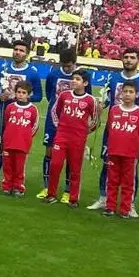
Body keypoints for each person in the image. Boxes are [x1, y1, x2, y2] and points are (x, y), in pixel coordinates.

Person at [90, 47, 139, 216]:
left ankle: (130, 204)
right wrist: (100, 106)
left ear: (138, 60)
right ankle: (104, 198)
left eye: (132, 57)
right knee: (107, 166)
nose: (128, 60)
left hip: (131, 135)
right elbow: (106, 100)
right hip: (112, 132)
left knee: (131, 171)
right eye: (126, 57)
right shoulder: (112, 78)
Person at [0, 40, 42, 189]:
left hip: (19, 119)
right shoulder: (3, 69)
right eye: (16, 49)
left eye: (21, 50)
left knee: (16, 150)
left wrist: (23, 97)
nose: (18, 52)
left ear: (27, 54)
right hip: (2, 113)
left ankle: (15, 182)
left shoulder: (32, 73)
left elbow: (39, 96)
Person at [45, 69, 100, 207]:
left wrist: (85, 131)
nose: (74, 81)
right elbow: (54, 111)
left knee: (75, 169)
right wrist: (59, 126)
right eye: (73, 78)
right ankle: (51, 194)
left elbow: (96, 120)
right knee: (55, 164)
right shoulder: (64, 95)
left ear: (85, 83)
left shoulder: (90, 100)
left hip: (78, 139)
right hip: (61, 136)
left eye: (78, 79)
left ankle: (73, 199)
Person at [37, 48, 79, 200]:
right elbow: (49, 94)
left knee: (70, 155)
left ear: (75, 63)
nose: (66, 68)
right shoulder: (54, 73)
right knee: (49, 152)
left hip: (72, 122)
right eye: (64, 65)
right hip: (52, 120)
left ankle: (68, 191)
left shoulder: (80, 76)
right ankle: (47, 187)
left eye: (69, 66)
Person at [104, 80, 139, 218]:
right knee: (111, 180)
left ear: (137, 94)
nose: (128, 94)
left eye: (131, 92)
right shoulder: (114, 109)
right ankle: (110, 207)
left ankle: (125, 209)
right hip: (114, 151)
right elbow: (110, 128)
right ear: (121, 93)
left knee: (128, 182)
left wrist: (135, 149)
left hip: (130, 153)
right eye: (125, 91)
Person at [0, 81, 40, 197]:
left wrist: (26, 137)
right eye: (18, 92)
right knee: (7, 166)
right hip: (9, 142)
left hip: (22, 144)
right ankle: (7, 186)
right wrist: (7, 136)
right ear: (15, 93)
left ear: (29, 94)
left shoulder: (33, 109)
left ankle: (18, 187)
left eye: (24, 93)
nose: (21, 95)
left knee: (19, 167)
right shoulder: (10, 107)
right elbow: (6, 122)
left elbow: (34, 126)